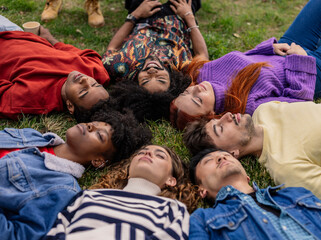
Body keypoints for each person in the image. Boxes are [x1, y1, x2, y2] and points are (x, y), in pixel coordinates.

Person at [170, 0, 321, 130]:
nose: (197, 89)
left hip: (286, 46)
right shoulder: (246, 108)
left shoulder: (204, 74)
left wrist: (271, 47)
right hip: (316, 71)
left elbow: (245, 58)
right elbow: (299, 105)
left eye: (188, 92)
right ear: (211, 115)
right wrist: (300, 61)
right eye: (198, 99)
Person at [183, 93, 321, 217]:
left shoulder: (265, 110)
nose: (227, 116)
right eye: (220, 128)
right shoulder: (285, 167)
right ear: (231, 154)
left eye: (219, 119)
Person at [0, 109, 152, 240]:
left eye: (100, 135)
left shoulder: (63, 190)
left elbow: (19, 235)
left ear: (98, 161)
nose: (91, 126)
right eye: (95, 123)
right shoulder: (30, 135)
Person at [188, 149, 321, 239]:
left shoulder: (295, 195)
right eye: (209, 161)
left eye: (225, 155)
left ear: (247, 175)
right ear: (201, 190)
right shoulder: (203, 220)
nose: (221, 158)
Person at [46, 144, 200, 239]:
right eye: (141, 152)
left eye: (159, 156)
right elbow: (57, 229)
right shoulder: (89, 195)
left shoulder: (172, 209)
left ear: (171, 180)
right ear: (128, 170)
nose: (147, 153)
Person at [0, 15, 110, 120]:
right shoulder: (95, 71)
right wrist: (50, 39)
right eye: (95, 84)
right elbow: (92, 56)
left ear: (70, 106)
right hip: (17, 33)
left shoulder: (33, 98)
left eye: (83, 91)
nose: (85, 80)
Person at [102, 0, 208, 93]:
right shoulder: (182, 69)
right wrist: (189, 17)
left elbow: (112, 48)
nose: (152, 71)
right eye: (161, 79)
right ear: (172, 82)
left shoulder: (121, 67)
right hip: (178, 17)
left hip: (142, 18)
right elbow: (202, 55)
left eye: (145, 80)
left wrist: (134, 15)